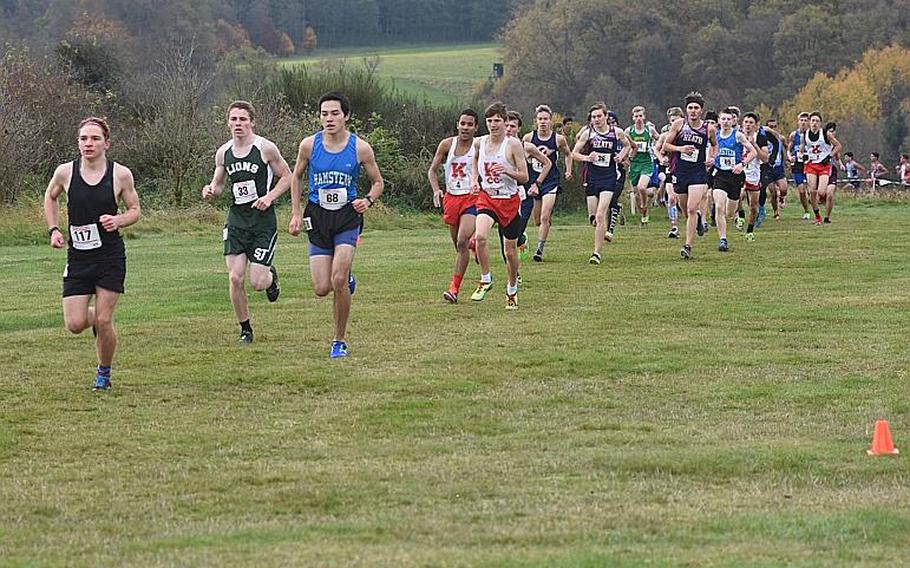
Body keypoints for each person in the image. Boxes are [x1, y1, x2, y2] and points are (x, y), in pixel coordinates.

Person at [43, 117, 141, 391]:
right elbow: (50, 197)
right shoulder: (65, 172)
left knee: (103, 319)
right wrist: (53, 229)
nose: (89, 143)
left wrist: (118, 220)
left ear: (106, 143)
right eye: (84, 138)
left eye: (95, 138)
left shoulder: (120, 174)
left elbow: (135, 210)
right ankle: (99, 319)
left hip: (109, 256)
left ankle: (104, 373)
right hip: (78, 257)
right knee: (74, 324)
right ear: (78, 142)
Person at [289, 92, 384, 358]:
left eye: (334, 113)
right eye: (324, 113)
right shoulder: (308, 145)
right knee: (321, 288)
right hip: (317, 216)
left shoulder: (360, 148)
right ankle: (345, 278)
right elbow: (296, 177)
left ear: (346, 116)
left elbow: (378, 182)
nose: (329, 118)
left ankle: (338, 341)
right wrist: (296, 214)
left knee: (338, 278)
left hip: (347, 216)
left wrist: (368, 200)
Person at [202, 101, 291, 345]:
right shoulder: (223, 153)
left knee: (258, 283)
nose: (238, 124)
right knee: (235, 278)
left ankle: (271, 275)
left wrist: (269, 197)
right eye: (234, 119)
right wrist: (210, 191)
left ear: (252, 121)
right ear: (227, 122)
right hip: (237, 221)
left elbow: (287, 176)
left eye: (243, 119)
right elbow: (219, 185)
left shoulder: (265, 148)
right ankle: (245, 330)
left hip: (262, 222)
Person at [469, 101, 529, 309]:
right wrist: (475, 180)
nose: (493, 125)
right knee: (480, 237)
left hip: (509, 201)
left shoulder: (512, 145)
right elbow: (475, 159)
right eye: (489, 121)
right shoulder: (480, 142)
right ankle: (486, 279)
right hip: (487, 197)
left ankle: (512, 289)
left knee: (510, 251)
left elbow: (524, 176)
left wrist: (506, 171)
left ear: (505, 123)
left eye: (497, 121)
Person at [571, 102, 634, 265]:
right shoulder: (587, 134)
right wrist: (587, 158)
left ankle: (596, 253)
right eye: (593, 117)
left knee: (600, 214)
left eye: (599, 116)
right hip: (592, 178)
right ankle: (602, 228)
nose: (597, 119)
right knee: (594, 218)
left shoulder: (616, 132)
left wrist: (621, 156)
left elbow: (628, 146)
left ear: (606, 117)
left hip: (609, 177)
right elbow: (574, 153)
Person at [428, 109, 479, 303]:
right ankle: (473, 246)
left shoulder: (479, 146)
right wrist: (436, 190)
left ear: (476, 127)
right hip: (451, 198)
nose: (465, 128)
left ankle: (454, 289)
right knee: (460, 247)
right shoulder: (447, 144)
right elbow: (432, 171)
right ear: (457, 124)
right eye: (462, 124)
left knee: (461, 240)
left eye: (470, 124)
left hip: (471, 198)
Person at [661, 92, 717, 259]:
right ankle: (699, 218)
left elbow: (714, 146)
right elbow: (666, 145)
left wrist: (711, 158)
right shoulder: (679, 124)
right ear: (686, 110)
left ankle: (688, 246)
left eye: (696, 108)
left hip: (698, 172)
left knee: (692, 207)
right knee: (686, 210)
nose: (693, 111)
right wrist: (680, 149)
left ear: (701, 111)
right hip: (680, 171)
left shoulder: (709, 128)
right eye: (690, 108)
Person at [522, 104, 573, 262]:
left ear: (551, 121)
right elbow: (522, 159)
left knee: (545, 216)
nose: (543, 122)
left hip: (551, 181)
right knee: (537, 220)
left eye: (545, 119)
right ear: (536, 121)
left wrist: (568, 171)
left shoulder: (558, 139)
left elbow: (568, 154)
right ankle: (534, 233)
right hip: (534, 183)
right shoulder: (529, 138)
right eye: (540, 119)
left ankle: (539, 249)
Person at [504, 111, 551, 274]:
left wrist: (537, 183)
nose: (508, 129)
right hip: (503, 196)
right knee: (506, 240)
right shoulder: (495, 147)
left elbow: (547, 163)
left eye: (512, 126)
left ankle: (521, 239)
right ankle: (514, 274)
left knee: (514, 237)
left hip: (523, 196)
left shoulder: (527, 147)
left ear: (519, 129)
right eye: (506, 125)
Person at [711, 109, 757, 251]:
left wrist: (742, 164)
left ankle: (734, 216)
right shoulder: (714, 135)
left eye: (728, 119)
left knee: (729, 212)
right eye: (723, 119)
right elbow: (709, 150)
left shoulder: (738, 135)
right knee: (718, 206)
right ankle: (723, 240)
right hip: (719, 175)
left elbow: (753, 152)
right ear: (719, 121)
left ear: (733, 121)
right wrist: (710, 159)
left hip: (735, 176)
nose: (725, 122)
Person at [799, 111, 842, 225]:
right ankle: (818, 216)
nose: (814, 123)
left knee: (822, 192)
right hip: (811, 165)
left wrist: (829, 156)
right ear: (809, 122)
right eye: (813, 121)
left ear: (820, 123)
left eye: (817, 121)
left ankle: (822, 204)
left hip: (823, 165)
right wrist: (802, 156)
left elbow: (838, 146)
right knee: (812, 191)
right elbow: (801, 151)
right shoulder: (805, 135)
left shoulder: (826, 134)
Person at [626, 106, 661, 226]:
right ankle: (643, 215)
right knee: (636, 193)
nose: (639, 118)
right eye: (636, 116)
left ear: (644, 117)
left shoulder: (649, 130)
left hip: (647, 162)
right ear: (633, 118)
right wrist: (625, 158)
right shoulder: (628, 131)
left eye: (641, 116)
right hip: (634, 164)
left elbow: (660, 140)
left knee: (642, 187)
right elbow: (625, 146)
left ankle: (645, 205)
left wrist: (660, 152)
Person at [739, 113, 769, 242]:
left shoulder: (761, 138)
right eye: (746, 122)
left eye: (751, 123)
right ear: (742, 124)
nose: (748, 125)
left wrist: (755, 145)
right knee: (739, 195)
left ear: (756, 125)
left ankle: (750, 231)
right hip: (739, 172)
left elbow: (765, 158)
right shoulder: (737, 137)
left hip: (754, 174)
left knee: (753, 206)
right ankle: (740, 215)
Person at [788, 112, 813, 220]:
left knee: (811, 190)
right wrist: (790, 157)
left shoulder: (812, 135)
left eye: (805, 120)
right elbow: (789, 150)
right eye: (801, 120)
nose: (803, 122)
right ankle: (806, 210)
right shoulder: (794, 135)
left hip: (809, 164)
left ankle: (815, 207)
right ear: (798, 122)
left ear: (809, 122)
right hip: (797, 165)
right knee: (802, 191)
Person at [817, 122, 843, 223]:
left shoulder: (835, 143)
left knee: (830, 194)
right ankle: (818, 211)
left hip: (832, 171)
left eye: (833, 131)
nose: (832, 133)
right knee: (820, 194)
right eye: (830, 131)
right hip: (821, 170)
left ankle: (827, 217)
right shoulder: (822, 142)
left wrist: (840, 164)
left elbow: (837, 157)